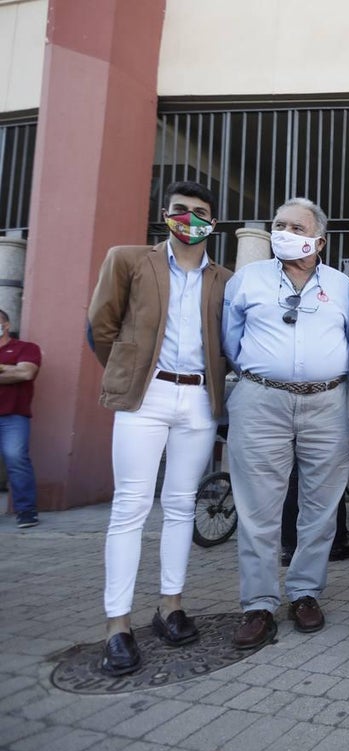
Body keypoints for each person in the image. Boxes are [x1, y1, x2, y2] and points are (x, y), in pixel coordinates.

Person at [87, 180, 232, 675]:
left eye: (200, 212)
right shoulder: (129, 260)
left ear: (213, 221)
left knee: (179, 507)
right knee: (129, 506)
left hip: (197, 399)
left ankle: (170, 605)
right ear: (164, 213)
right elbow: (101, 325)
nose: (189, 218)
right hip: (144, 397)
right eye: (180, 210)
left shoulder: (225, 279)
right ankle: (118, 624)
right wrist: (128, 373)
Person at [222, 197, 349, 649]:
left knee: (320, 508)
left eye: (296, 227)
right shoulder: (248, 280)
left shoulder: (343, 287)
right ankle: (259, 603)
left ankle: (304, 592)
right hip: (261, 400)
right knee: (258, 508)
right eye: (279, 224)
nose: (284, 232)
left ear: (318, 239)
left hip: (328, 403)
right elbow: (230, 337)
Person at [0, 309, 41, 529]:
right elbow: (15, 373)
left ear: (6, 325)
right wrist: (8, 371)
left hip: (13, 416)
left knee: (16, 459)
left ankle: (26, 511)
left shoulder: (26, 348)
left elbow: (25, 373)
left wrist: (8, 370)